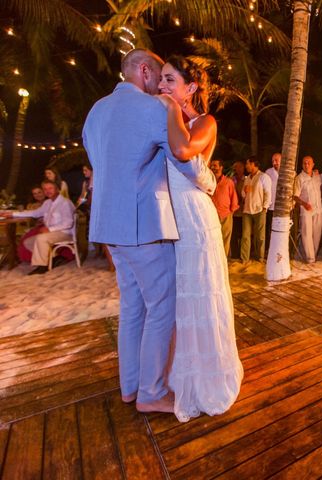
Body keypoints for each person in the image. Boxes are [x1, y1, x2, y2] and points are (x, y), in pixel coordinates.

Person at [83, 48, 214, 414]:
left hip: (109, 227)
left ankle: (130, 386)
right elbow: (184, 162)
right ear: (144, 71)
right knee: (162, 308)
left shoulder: (96, 111)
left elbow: (101, 162)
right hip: (145, 226)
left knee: (132, 308)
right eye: (159, 77)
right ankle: (152, 392)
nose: (162, 86)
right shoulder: (154, 108)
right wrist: (210, 180)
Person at [156, 55, 243, 422]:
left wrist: (167, 107)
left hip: (195, 218)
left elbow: (184, 151)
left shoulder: (204, 122)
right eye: (160, 80)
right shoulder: (165, 117)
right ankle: (178, 374)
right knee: (176, 300)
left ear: (191, 87)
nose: (162, 86)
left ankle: (207, 378)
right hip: (168, 219)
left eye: (170, 80)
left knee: (200, 294)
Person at [7, 180, 75, 274]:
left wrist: (49, 229)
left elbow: (68, 223)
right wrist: (13, 214)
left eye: (50, 188)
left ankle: (42, 266)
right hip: (54, 232)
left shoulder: (65, 203)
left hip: (65, 233)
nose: (48, 191)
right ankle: (54, 258)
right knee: (28, 242)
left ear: (57, 189)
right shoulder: (48, 203)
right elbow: (35, 213)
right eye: (45, 189)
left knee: (41, 238)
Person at [241, 156, 271, 263]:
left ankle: (260, 257)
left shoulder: (263, 177)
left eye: (247, 163)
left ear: (253, 164)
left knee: (260, 236)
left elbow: (268, 193)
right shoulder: (247, 178)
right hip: (247, 210)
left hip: (259, 209)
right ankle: (245, 258)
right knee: (245, 235)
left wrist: (265, 207)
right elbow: (243, 195)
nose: (246, 166)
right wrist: (245, 190)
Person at [293, 155, 322, 263]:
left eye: (309, 163)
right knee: (306, 234)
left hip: (318, 209)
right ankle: (310, 259)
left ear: (313, 164)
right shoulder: (299, 178)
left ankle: (312, 255)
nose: (306, 165)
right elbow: (295, 196)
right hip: (306, 209)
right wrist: (304, 203)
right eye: (304, 163)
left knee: (317, 235)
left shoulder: (317, 176)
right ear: (302, 165)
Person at [210, 158, 239, 257]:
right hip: (211, 214)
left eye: (215, 165)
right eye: (212, 165)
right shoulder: (208, 181)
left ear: (221, 167)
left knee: (225, 238)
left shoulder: (228, 182)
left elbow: (233, 197)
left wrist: (231, 211)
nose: (212, 167)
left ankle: (224, 260)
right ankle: (215, 259)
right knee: (213, 238)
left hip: (226, 214)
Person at [264, 152, 281, 251]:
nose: (274, 162)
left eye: (276, 160)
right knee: (270, 229)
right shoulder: (268, 172)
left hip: (283, 207)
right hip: (271, 206)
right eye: (273, 161)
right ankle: (269, 250)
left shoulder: (289, 171)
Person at [230, 159, 246, 259]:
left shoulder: (247, 179)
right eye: (235, 167)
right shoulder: (231, 180)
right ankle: (235, 255)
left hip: (244, 211)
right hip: (234, 212)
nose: (237, 169)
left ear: (243, 168)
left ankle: (242, 254)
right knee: (233, 234)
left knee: (244, 234)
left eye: (239, 167)